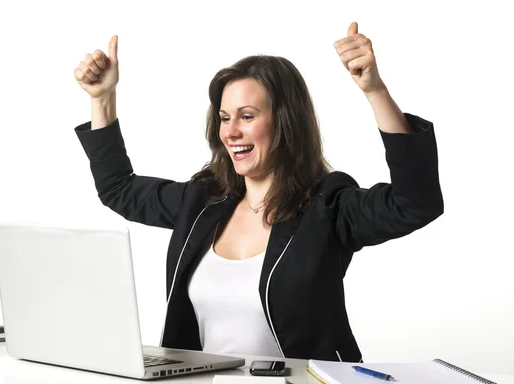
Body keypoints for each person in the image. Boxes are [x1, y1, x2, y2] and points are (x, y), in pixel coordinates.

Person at [73, 22, 443, 362]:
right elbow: (119, 189)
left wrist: (374, 91)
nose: (230, 132)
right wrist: (102, 99)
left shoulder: (327, 207)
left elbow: (414, 203)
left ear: (285, 121)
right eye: (224, 118)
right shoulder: (202, 202)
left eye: (247, 116)